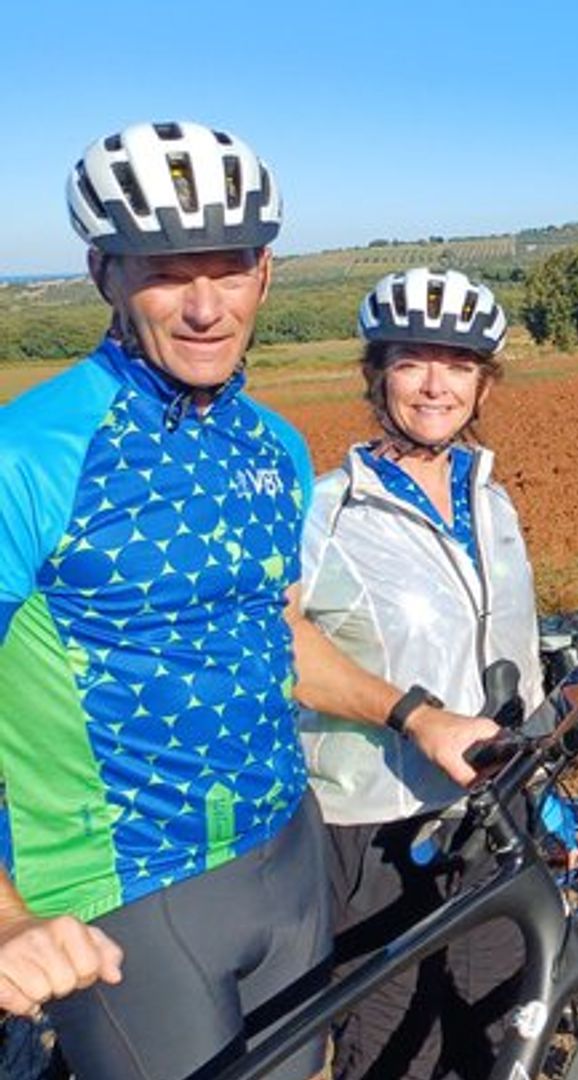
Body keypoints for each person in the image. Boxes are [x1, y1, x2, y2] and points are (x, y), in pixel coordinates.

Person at [0, 119, 331, 1080]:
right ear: (105, 272)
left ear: (265, 273)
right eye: (163, 271)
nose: (203, 307)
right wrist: (9, 914)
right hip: (122, 891)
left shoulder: (276, 445)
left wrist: (416, 712)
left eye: (227, 269)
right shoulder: (31, 454)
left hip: (289, 854)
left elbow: (278, 633)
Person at [295, 268, 540, 1079]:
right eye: (412, 362)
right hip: (378, 829)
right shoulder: (327, 511)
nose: (435, 385)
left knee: (500, 1029)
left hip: (492, 813)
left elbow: (513, 652)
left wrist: (541, 786)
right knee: (397, 1050)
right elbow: (280, 643)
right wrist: (412, 716)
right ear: (377, 375)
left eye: (459, 365)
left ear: (483, 382)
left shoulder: (491, 499)